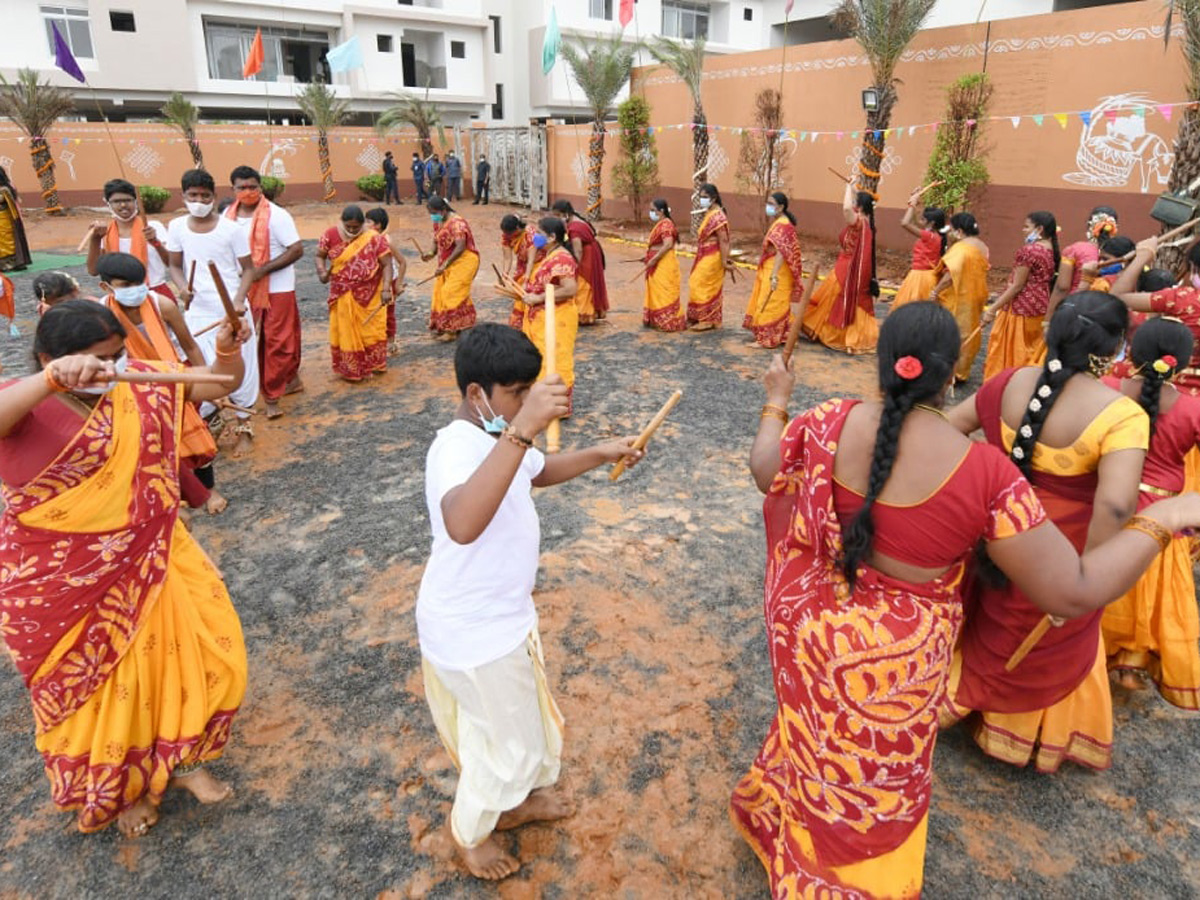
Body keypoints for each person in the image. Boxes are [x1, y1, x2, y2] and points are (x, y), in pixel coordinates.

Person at [733, 300, 1200, 897]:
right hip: (896, 665)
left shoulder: (827, 419)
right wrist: (1165, 515)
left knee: (813, 733)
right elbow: (1075, 590)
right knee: (876, 774)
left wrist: (777, 398)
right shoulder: (986, 475)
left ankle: (789, 831)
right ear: (953, 371)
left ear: (882, 362)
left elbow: (762, 470)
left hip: (813, 632)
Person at [0, 299, 250, 838]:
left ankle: (184, 762)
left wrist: (229, 347)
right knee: (109, 688)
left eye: (115, 355)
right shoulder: (22, 400)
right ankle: (121, 791)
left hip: (155, 556)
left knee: (195, 654)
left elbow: (219, 383)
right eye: (96, 360)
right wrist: (48, 380)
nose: (108, 370)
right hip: (65, 580)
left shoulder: (138, 380)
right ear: (49, 356)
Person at [417, 323, 642, 880]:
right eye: (517, 391)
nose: (526, 402)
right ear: (478, 395)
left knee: (511, 730)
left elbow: (538, 472)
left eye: (527, 390)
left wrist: (600, 451)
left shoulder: (501, 437)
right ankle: (471, 835)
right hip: (472, 633)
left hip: (504, 621)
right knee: (508, 745)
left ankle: (512, 804)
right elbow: (463, 522)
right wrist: (522, 426)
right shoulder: (455, 447)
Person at [943, 293, 1146, 773]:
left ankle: (956, 692)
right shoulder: (1120, 415)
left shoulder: (1008, 381)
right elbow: (1116, 504)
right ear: (1115, 350)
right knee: (1038, 635)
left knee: (986, 610)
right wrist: (1088, 578)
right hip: (1062, 554)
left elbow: (949, 428)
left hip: (992, 533)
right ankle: (1015, 731)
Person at [1101, 318, 1200, 709]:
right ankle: (1131, 663)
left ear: (1132, 351)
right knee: (1150, 595)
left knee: (1110, 588)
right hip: (1162, 518)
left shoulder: (1107, 390)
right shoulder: (1192, 410)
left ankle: (1102, 655)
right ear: (1182, 363)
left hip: (1110, 506)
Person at [95, 251, 224, 514]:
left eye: (139, 283)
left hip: (174, 379)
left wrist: (210, 384)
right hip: (130, 385)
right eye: (125, 286)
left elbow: (189, 346)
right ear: (106, 287)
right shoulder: (100, 314)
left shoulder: (162, 304)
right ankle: (170, 496)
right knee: (148, 443)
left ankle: (208, 491)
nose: (135, 290)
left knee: (194, 436)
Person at [166, 168, 259, 458]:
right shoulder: (177, 227)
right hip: (197, 312)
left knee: (242, 368)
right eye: (193, 195)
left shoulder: (231, 229)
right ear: (183, 197)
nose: (199, 200)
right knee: (203, 368)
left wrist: (240, 300)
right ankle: (213, 423)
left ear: (214, 197)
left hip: (232, 311)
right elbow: (174, 266)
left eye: (205, 195)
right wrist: (182, 288)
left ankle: (245, 426)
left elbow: (248, 270)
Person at [223, 166, 304, 419]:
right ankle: (282, 380)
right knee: (247, 338)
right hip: (242, 289)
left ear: (260, 187)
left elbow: (296, 249)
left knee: (278, 341)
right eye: (242, 187)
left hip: (278, 288)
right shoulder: (228, 216)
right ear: (233, 190)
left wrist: (262, 270)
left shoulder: (277, 216)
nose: (247, 192)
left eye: (252, 187)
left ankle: (272, 396)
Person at [801, 179, 880, 354]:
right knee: (834, 300)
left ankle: (837, 335)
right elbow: (849, 208)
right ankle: (842, 334)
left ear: (859, 207)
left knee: (833, 299)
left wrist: (847, 188)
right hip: (846, 267)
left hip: (846, 269)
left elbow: (845, 210)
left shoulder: (859, 223)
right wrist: (852, 189)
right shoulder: (867, 224)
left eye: (854, 203)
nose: (852, 205)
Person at [981, 211, 1060, 380]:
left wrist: (992, 309)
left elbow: (1017, 286)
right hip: (1040, 304)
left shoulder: (1029, 251)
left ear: (1039, 229)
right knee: (1031, 348)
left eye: (1026, 227)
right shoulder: (1051, 250)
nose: (1023, 230)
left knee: (1013, 350)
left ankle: (1005, 382)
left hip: (1021, 307)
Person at [316, 205, 391, 381]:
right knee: (345, 330)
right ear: (341, 222)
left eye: (355, 227)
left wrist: (387, 288)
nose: (351, 230)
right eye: (348, 227)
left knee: (371, 329)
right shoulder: (330, 234)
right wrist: (321, 270)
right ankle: (352, 368)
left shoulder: (373, 238)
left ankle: (373, 364)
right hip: (342, 293)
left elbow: (387, 264)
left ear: (363, 224)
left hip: (370, 293)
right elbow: (319, 255)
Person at [519, 217, 580, 415]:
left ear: (552, 237)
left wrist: (538, 298)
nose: (535, 237)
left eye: (540, 234)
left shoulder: (562, 258)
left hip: (557, 318)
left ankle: (556, 406)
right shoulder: (551, 254)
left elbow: (570, 289)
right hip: (545, 316)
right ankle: (544, 403)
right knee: (542, 358)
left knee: (555, 359)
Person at [928, 212, 990, 383]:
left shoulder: (961, 248)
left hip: (958, 296)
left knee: (950, 332)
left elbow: (950, 275)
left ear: (960, 230)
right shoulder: (983, 246)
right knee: (968, 332)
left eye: (953, 229)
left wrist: (935, 291)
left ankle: (946, 371)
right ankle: (961, 372)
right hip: (977, 295)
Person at [84, 178, 172, 298]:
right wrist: (95, 239)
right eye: (116, 201)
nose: (123, 205)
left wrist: (155, 242)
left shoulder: (152, 226)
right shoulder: (106, 231)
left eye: (128, 200)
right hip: (121, 295)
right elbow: (93, 271)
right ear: (108, 204)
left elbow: (170, 263)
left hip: (154, 291)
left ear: (136, 201)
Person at [743, 192, 803, 349]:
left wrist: (774, 275)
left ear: (781, 207)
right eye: (767, 203)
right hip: (772, 268)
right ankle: (785, 336)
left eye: (771, 204)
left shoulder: (783, 225)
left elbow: (781, 252)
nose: (768, 207)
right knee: (778, 303)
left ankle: (766, 339)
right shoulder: (780, 223)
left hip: (777, 271)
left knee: (770, 302)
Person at [1048, 205, 1118, 319]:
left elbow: (1062, 287)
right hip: (1106, 314)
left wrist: (1048, 320)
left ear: (1088, 225)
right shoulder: (1122, 253)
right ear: (1114, 229)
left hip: (1074, 310)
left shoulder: (1074, 250)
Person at [425, 197, 478, 342]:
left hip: (464, 261)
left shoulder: (458, 224)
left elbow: (460, 247)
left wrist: (444, 265)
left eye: (433, 212)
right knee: (441, 292)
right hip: (448, 262)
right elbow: (436, 240)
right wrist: (430, 253)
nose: (432, 216)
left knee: (450, 292)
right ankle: (462, 322)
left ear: (443, 210)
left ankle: (452, 330)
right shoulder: (438, 221)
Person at [550, 200, 608, 326]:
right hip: (591, 251)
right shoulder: (575, 220)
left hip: (587, 255)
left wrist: (575, 265)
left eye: (557, 215)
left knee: (583, 282)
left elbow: (578, 250)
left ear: (565, 214)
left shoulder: (575, 227)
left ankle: (584, 314)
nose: (556, 218)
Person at [892, 189, 947, 309]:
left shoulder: (929, 236)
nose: (920, 221)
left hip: (920, 278)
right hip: (926, 276)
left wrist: (912, 204)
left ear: (931, 223)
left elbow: (905, 223)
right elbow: (915, 220)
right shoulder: (935, 236)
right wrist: (915, 201)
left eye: (923, 219)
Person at [688, 183, 731, 332]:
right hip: (704, 254)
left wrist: (725, 260)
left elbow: (724, 240)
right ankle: (704, 317)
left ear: (713, 198)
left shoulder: (718, 216)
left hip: (713, 256)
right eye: (701, 196)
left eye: (705, 197)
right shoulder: (710, 213)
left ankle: (707, 320)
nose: (702, 199)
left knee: (701, 284)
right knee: (697, 282)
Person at [365, 207, 408, 357]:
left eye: (368, 221)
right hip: (374, 282)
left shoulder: (386, 241)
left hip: (388, 282)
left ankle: (390, 342)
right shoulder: (367, 238)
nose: (365, 224)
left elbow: (402, 262)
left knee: (388, 313)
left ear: (377, 225)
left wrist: (398, 284)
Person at [641, 198, 685, 333]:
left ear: (661, 211)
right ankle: (657, 319)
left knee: (663, 290)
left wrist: (654, 259)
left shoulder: (666, 225)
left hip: (664, 262)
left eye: (653, 210)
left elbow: (668, 244)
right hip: (657, 260)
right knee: (656, 289)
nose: (651, 213)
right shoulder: (661, 223)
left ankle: (668, 321)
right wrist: (648, 257)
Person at [500, 214, 535, 329]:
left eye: (510, 233)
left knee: (528, 289)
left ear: (518, 228)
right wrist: (505, 274)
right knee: (519, 293)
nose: (508, 236)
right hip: (522, 264)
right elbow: (507, 257)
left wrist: (527, 278)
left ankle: (529, 320)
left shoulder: (530, 235)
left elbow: (531, 260)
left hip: (536, 263)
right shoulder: (506, 235)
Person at [0, 165, 31, 272]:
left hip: (4, 218)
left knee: (6, 240)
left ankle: (10, 263)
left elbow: (8, 204)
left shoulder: (4, 189)